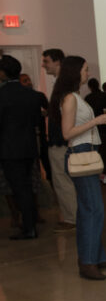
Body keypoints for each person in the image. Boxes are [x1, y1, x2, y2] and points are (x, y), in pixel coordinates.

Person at [49, 56, 106, 280]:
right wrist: (96, 121)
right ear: (75, 72)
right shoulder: (70, 99)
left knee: (92, 209)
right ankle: (88, 261)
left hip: (87, 152)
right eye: (85, 69)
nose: (88, 73)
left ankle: (94, 256)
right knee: (92, 210)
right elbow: (67, 133)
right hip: (80, 153)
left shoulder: (75, 96)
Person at [0, 55, 43, 240]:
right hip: (29, 147)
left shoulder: (2, 95)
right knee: (27, 187)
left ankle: (29, 227)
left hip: (9, 149)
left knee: (20, 189)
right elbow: (37, 121)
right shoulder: (32, 95)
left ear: (2, 73)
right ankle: (31, 222)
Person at [41, 48, 77, 230]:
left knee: (63, 180)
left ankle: (72, 218)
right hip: (62, 139)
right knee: (65, 180)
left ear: (57, 62)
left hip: (61, 141)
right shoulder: (63, 84)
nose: (43, 65)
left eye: (46, 61)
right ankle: (72, 216)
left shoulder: (63, 85)